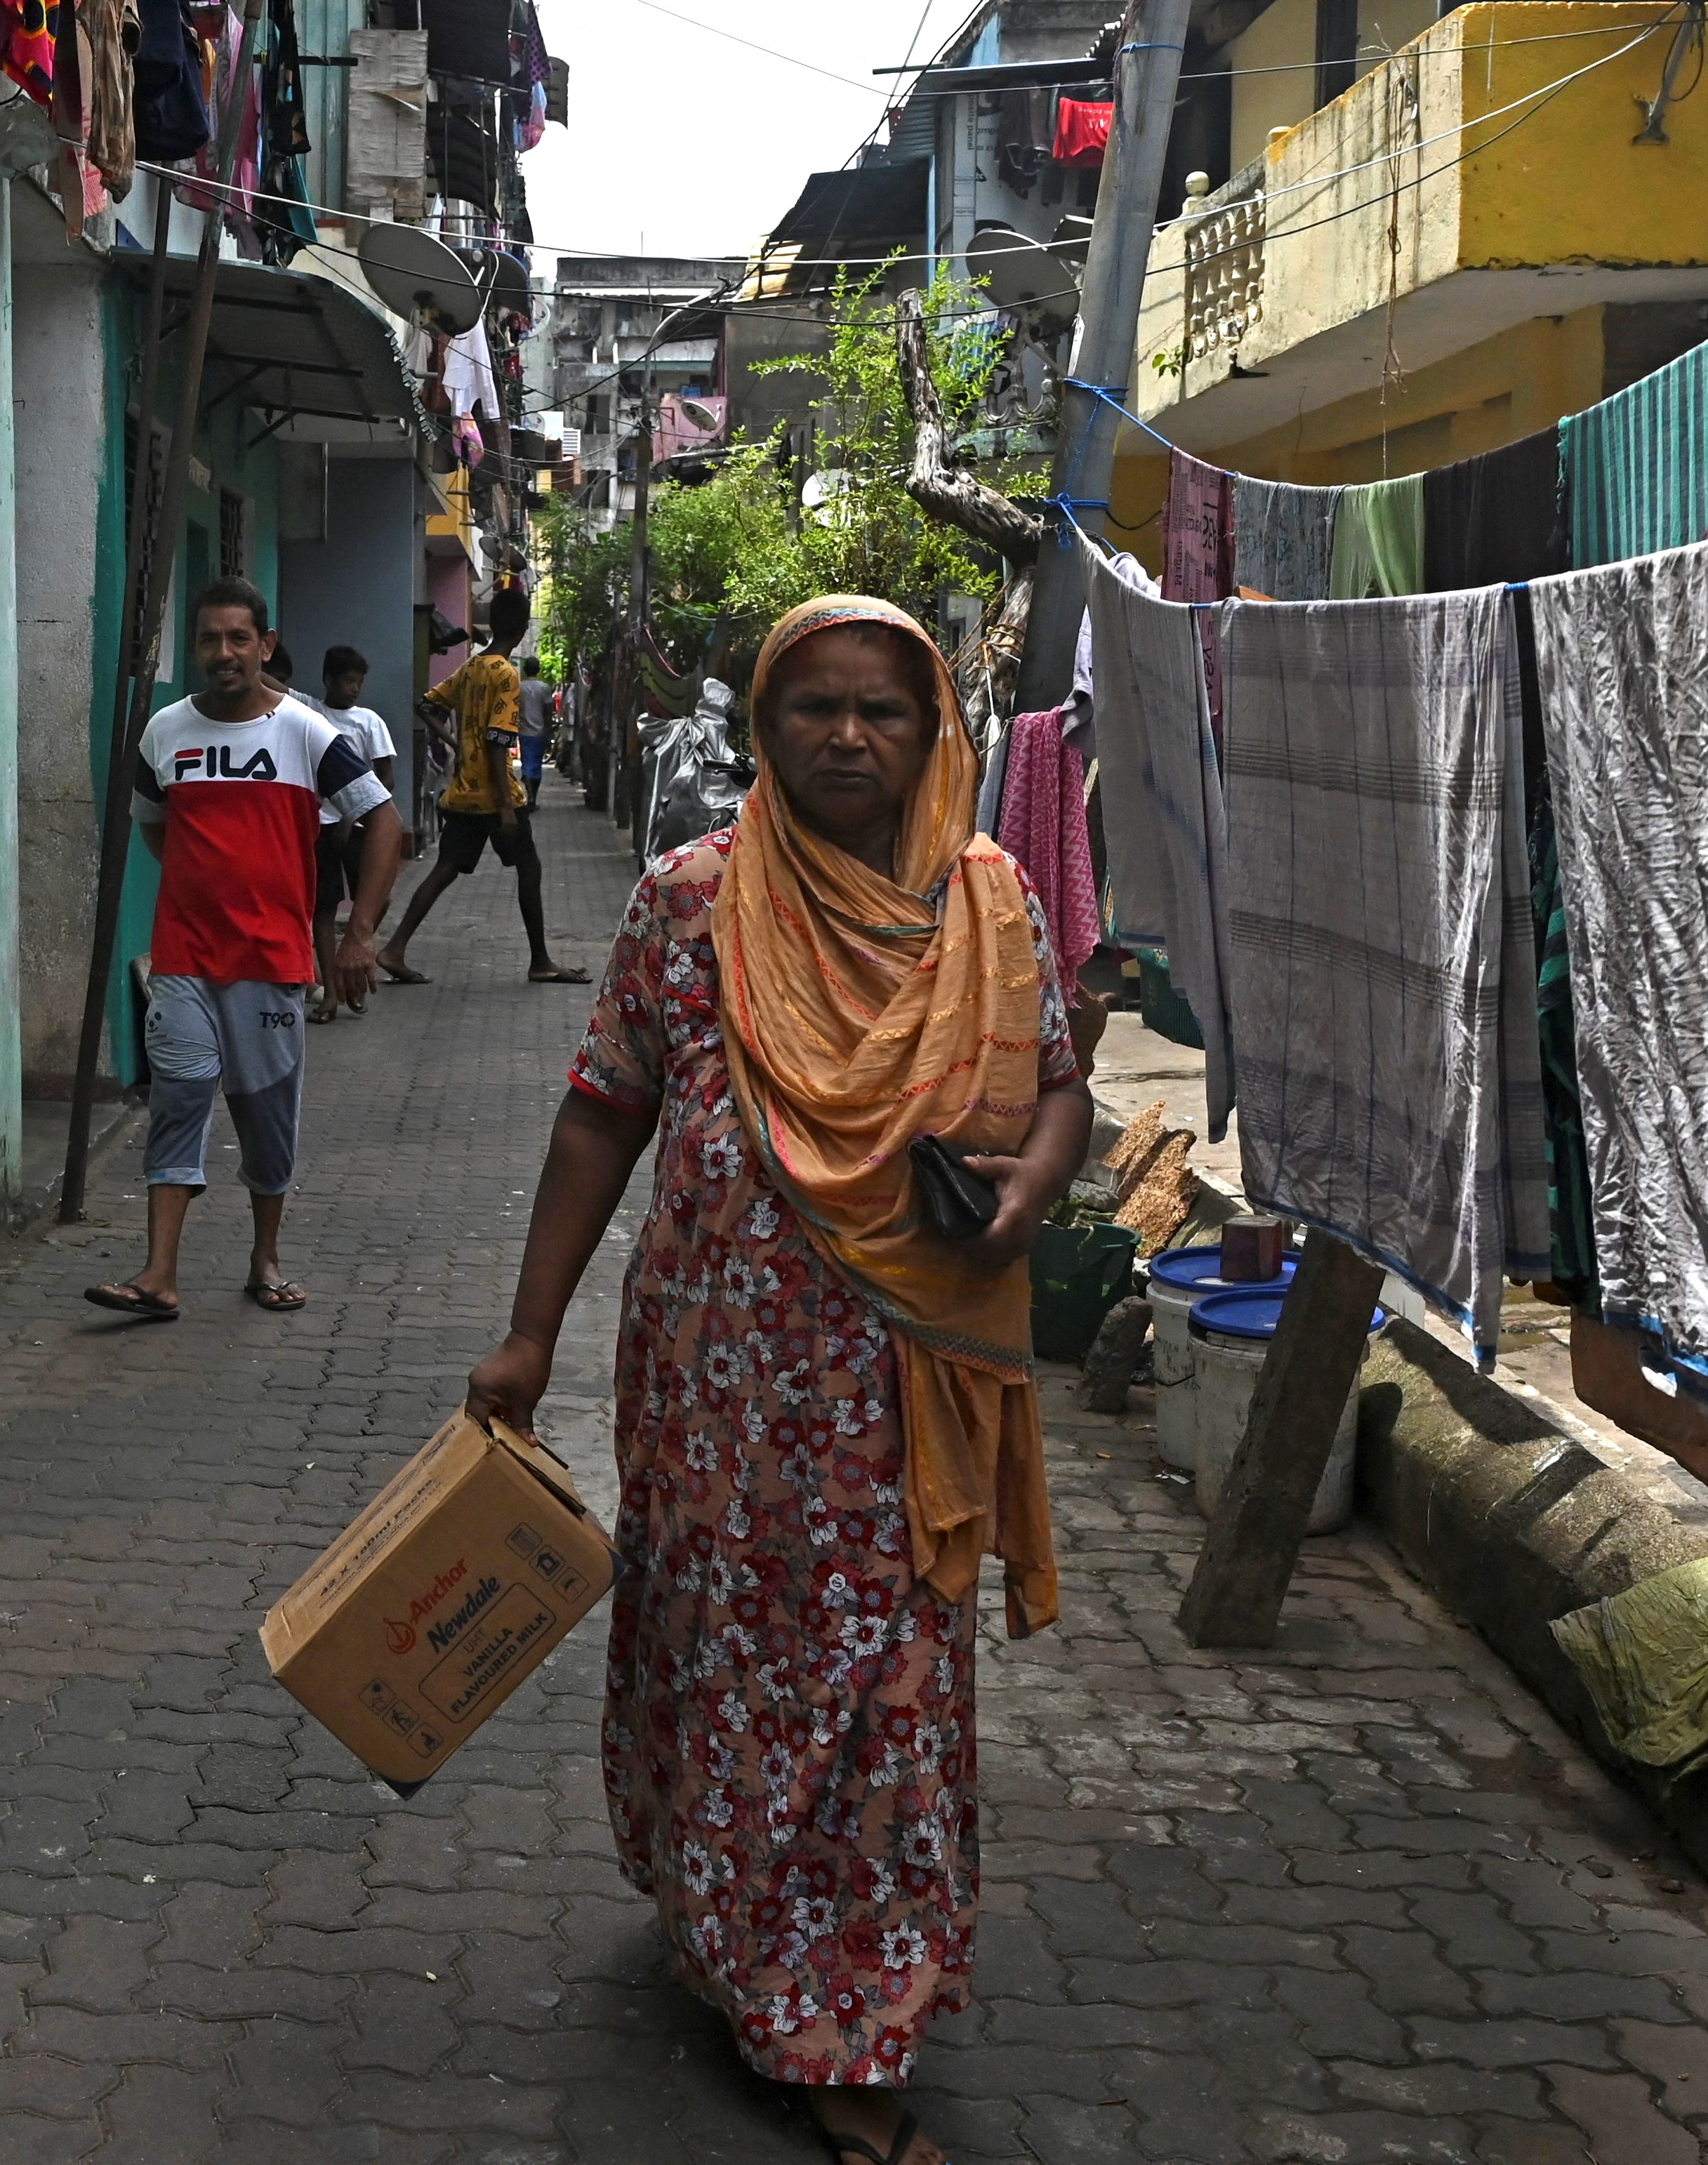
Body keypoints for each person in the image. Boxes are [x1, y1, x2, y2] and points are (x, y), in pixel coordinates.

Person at [462, 596, 1093, 2165]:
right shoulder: (694, 900)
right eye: (814, 707)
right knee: (719, 1652)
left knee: (880, 1684)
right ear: (766, 723)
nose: (849, 737)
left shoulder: (988, 905)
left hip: (905, 1385)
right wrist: (529, 1333)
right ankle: (729, 1933)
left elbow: (1064, 1090)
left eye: (881, 708)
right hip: (716, 1378)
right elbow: (605, 1111)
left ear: (932, 722)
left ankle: (846, 2024)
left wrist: (1031, 1192)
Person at [87, 579, 404, 1321]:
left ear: (264, 646)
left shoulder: (305, 734)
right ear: (195, 647)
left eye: (239, 639)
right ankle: (159, 1275)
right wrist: (209, 885)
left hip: (270, 964)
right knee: (180, 1098)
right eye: (209, 639)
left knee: (265, 1119)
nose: (223, 653)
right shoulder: (165, 732)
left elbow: (384, 823)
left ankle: (266, 1259)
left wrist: (359, 934)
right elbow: (155, 824)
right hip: (185, 960)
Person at [375, 595, 589, 987]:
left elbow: (425, 705)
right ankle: (540, 960)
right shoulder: (506, 674)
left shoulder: (471, 667)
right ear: (523, 628)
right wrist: (507, 806)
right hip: (497, 792)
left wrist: (459, 746)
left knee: (445, 869)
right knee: (530, 867)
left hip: (464, 792)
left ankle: (394, 948)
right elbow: (497, 740)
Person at [308, 644, 400, 1024]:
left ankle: (353, 970)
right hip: (320, 825)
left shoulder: (369, 722)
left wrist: (353, 814)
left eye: (359, 682)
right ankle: (330, 992)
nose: (354, 689)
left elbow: (386, 776)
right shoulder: (310, 713)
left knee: (378, 898)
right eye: (347, 681)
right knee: (324, 908)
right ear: (328, 680)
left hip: (360, 826)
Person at [516, 654, 553, 797]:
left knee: (527, 763)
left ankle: (530, 794)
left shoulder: (519, 688)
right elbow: (548, 711)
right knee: (537, 765)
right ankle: (533, 797)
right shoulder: (544, 688)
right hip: (540, 732)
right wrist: (548, 730)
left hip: (524, 732)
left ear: (525, 670)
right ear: (538, 669)